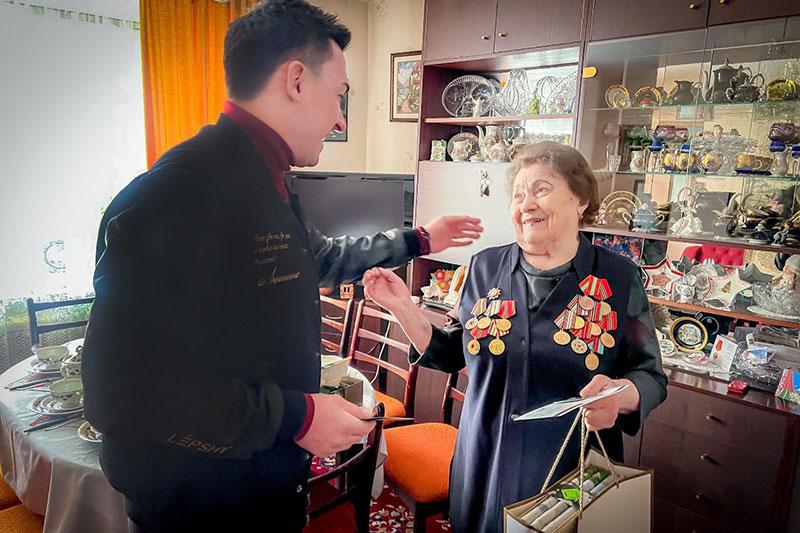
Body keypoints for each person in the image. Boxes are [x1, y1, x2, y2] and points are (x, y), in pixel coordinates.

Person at [80, 1, 483, 531]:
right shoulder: (177, 195)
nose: (340, 118)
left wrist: (420, 238)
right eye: (339, 94)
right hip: (201, 504)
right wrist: (297, 416)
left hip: (262, 487)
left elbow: (316, 258)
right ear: (295, 80)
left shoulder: (265, 181)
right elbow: (120, 392)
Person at [362, 142, 667, 533]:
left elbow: (649, 375)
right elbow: (454, 351)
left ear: (580, 200)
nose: (526, 204)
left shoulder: (618, 277)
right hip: (484, 460)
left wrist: (619, 396)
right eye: (519, 195)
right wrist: (402, 306)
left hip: (567, 469)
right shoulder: (485, 267)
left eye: (541, 189)